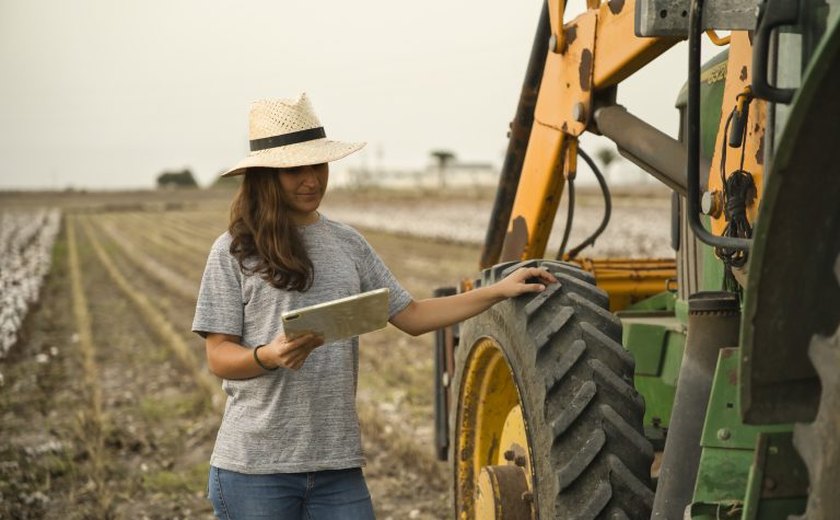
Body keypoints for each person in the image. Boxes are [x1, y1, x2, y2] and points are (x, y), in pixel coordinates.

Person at [192, 93, 556, 520]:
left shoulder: (348, 244)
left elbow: (414, 316)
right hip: (255, 469)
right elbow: (218, 355)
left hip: (337, 466)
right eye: (295, 170)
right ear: (266, 176)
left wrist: (497, 290)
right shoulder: (234, 251)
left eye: (318, 166)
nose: (311, 179)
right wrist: (267, 356)